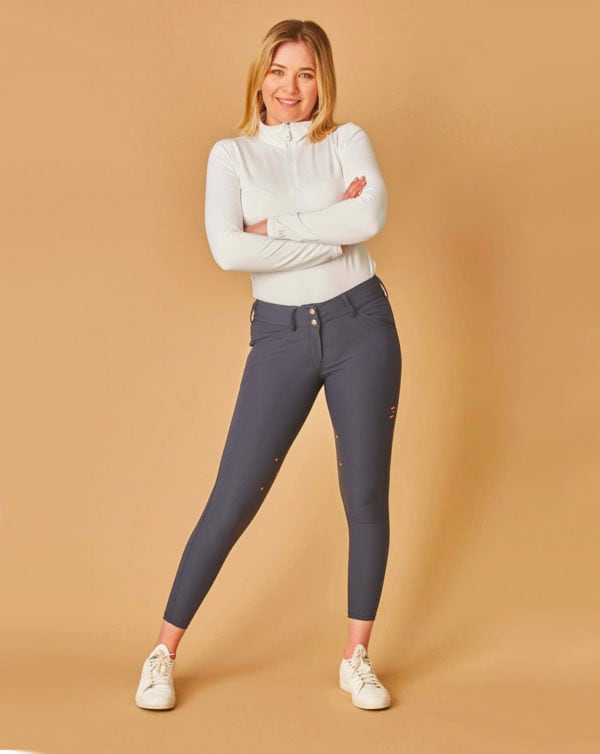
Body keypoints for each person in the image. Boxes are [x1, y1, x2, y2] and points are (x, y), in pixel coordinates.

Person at [135, 18, 402, 712]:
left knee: (365, 496)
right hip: (281, 336)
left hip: (361, 324)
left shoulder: (346, 140)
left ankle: (356, 658)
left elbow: (367, 219)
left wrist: (273, 230)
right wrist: (329, 229)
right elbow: (229, 251)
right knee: (233, 498)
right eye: (279, 71)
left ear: (323, 81)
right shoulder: (232, 156)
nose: (291, 87)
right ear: (259, 78)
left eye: (306, 73)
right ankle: (162, 653)